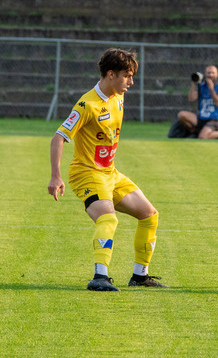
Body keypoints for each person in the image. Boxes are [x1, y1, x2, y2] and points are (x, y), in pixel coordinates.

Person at [47, 48, 168, 291]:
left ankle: (139, 276)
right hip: (86, 174)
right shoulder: (86, 105)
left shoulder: (118, 96)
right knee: (107, 219)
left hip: (110, 174)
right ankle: (99, 277)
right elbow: (58, 137)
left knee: (149, 215)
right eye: (127, 76)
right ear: (110, 74)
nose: (131, 82)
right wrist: (55, 176)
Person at [169, 65, 218, 140]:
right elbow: (191, 98)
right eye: (208, 73)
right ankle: (196, 132)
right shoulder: (202, 86)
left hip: (214, 118)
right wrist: (193, 84)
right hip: (201, 117)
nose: (210, 75)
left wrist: (211, 89)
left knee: (202, 137)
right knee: (181, 115)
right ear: (205, 74)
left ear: (217, 74)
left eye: (213, 73)